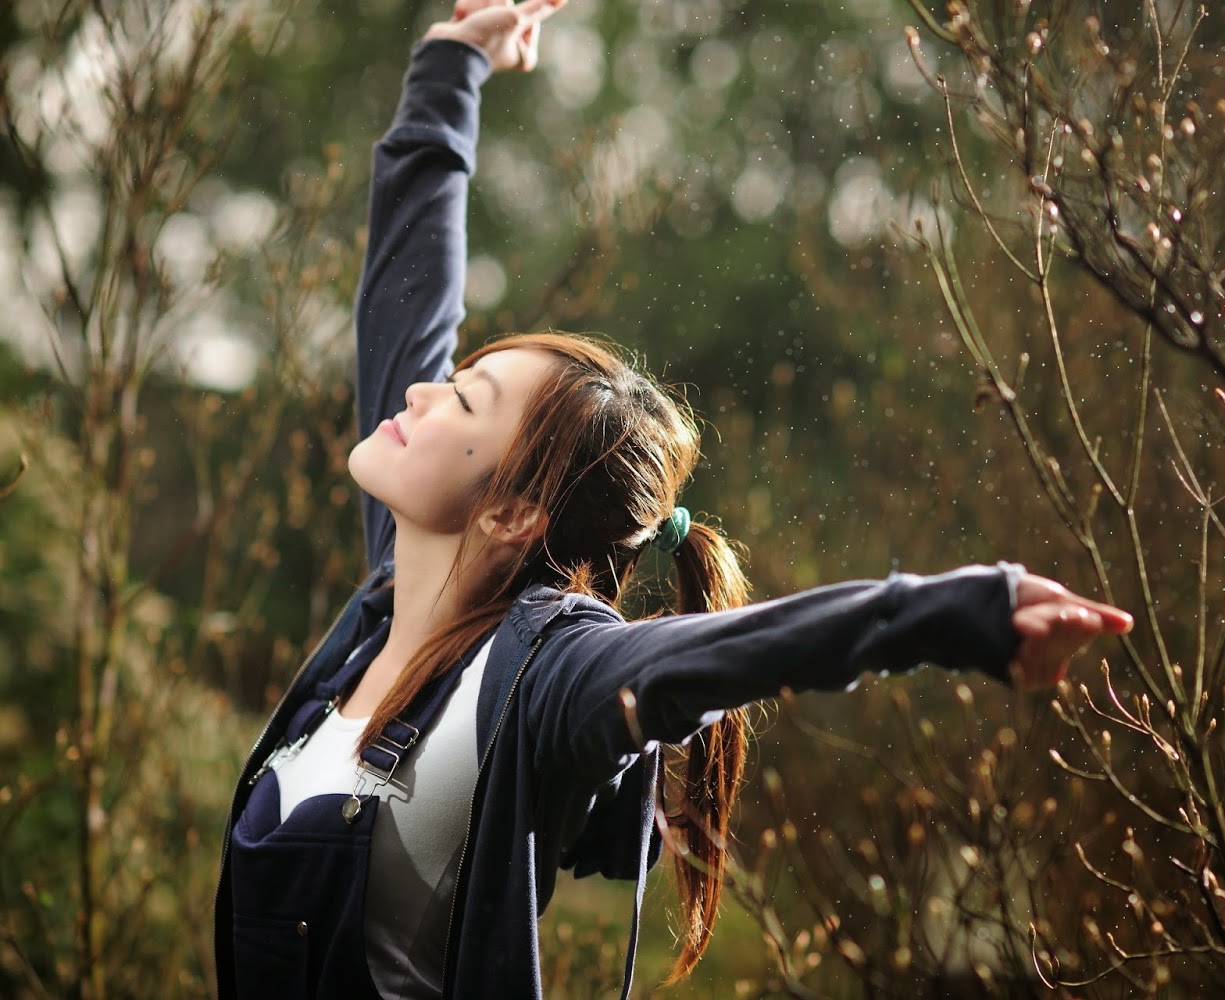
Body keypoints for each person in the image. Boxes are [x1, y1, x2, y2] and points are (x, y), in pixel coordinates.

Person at [211, 2, 1133, 997]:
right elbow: (409, 286)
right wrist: (452, 65)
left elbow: (736, 650)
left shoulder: (548, 675)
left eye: (463, 396)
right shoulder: (388, 603)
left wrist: (968, 611)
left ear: (515, 513)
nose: (422, 393)